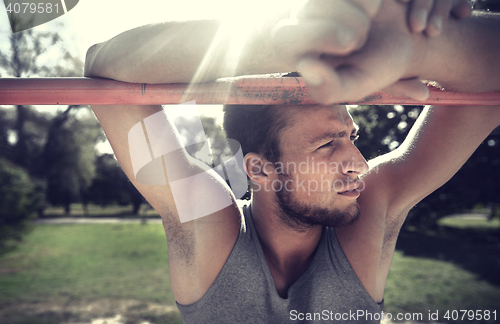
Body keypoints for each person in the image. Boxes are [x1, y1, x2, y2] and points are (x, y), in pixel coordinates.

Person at [84, 0, 500, 322]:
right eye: (326, 145)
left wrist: (419, 47)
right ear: (259, 169)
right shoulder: (208, 221)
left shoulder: (370, 206)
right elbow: (102, 65)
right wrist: (291, 41)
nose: (358, 162)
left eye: (350, 137)